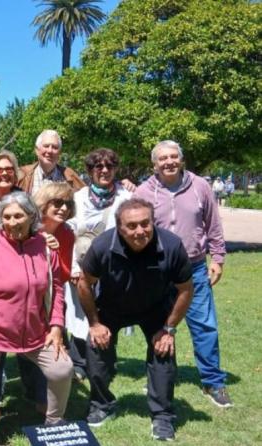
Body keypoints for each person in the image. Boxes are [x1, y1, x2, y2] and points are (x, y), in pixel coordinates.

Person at [77, 198, 194, 441]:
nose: (139, 231)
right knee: (95, 350)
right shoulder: (101, 245)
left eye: (145, 224)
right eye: (131, 226)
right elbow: (84, 283)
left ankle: (162, 416)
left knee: (163, 352)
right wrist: (95, 324)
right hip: (111, 306)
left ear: (153, 222)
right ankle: (101, 404)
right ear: (119, 227)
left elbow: (185, 289)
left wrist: (169, 328)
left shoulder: (172, 246)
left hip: (155, 308)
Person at [0, 192, 73, 446]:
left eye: (18, 216)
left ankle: (54, 424)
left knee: (62, 370)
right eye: (7, 217)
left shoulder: (46, 247)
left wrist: (56, 325)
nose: (12, 222)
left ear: (32, 216)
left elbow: (56, 289)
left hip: (36, 331)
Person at [134, 140, 232, 407]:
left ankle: (213, 382)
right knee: (160, 326)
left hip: (195, 268)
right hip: (159, 270)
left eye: (174, 157)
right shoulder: (144, 191)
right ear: (154, 164)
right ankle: (162, 378)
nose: (169, 162)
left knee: (204, 326)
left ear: (181, 159)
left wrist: (218, 258)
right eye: (163, 158)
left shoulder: (200, 186)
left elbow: (213, 224)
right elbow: (135, 232)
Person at [66, 148, 132, 382]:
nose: (104, 171)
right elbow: (69, 234)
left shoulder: (126, 197)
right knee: (80, 313)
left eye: (110, 166)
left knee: (108, 313)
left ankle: (104, 362)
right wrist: (73, 267)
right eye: (98, 166)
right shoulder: (78, 198)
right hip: (82, 267)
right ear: (90, 170)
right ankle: (79, 363)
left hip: (113, 268)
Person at [18, 129, 85, 196]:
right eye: (46, 146)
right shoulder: (21, 176)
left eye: (55, 147)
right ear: (37, 150)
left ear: (59, 152)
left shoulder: (70, 176)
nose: (50, 151)